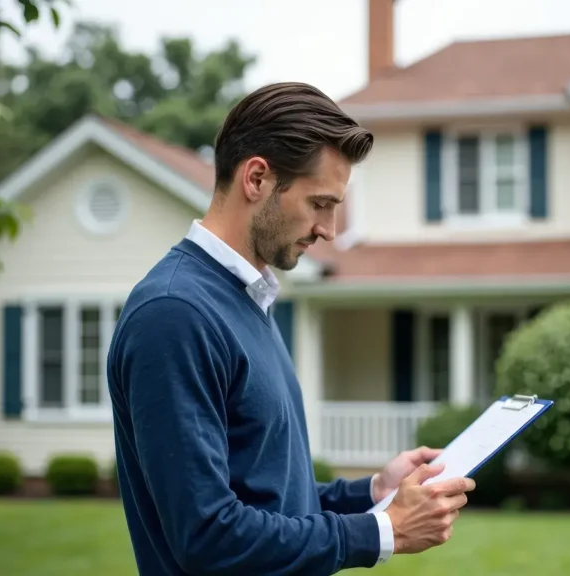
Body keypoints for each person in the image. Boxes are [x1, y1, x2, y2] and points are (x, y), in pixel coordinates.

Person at [107, 81, 475, 576]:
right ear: (256, 178)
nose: (330, 230)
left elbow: (270, 495)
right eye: (320, 203)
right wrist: (383, 531)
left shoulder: (245, 301)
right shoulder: (175, 313)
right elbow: (208, 535)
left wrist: (371, 492)